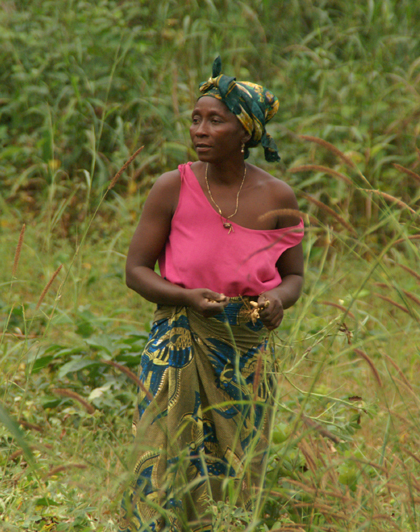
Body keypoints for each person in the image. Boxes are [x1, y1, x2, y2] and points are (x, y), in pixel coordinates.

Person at [119, 56, 304, 532]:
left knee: (240, 461)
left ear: (245, 133)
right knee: (165, 454)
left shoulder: (277, 196)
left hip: (245, 351)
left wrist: (278, 301)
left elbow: (294, 277)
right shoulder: (171, 187)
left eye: (215, 120)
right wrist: (186, 297)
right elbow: (136, 270)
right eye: (196, 119)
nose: (199, 130)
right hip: (178, 339)